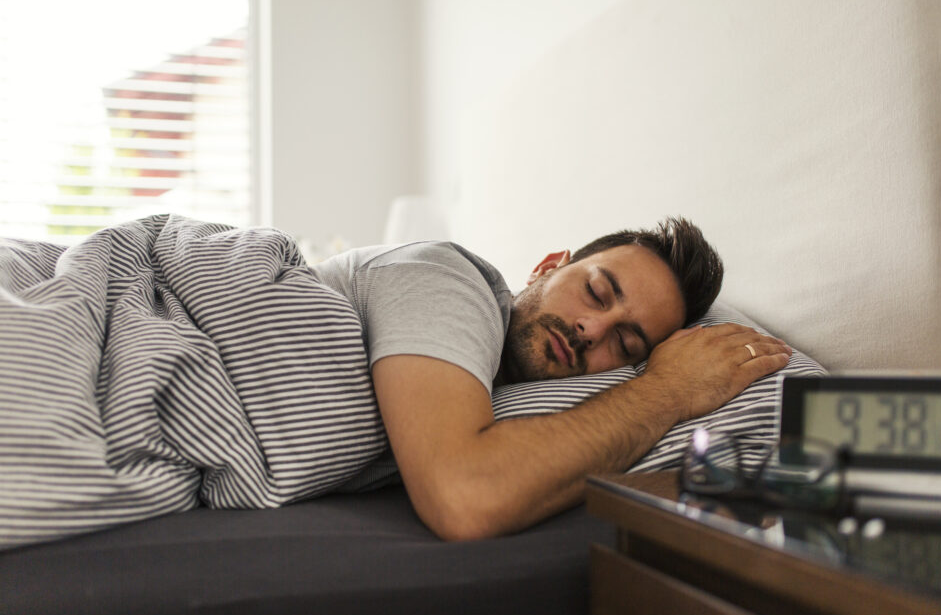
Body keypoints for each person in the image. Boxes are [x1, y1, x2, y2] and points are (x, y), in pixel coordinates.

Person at [312, 216, 791, 540]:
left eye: (624, 346)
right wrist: (668, 389)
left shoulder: (469, 396)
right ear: (546, 267)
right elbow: (464, 493)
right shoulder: (451, 279)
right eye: (596, 291)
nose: (592, 329)